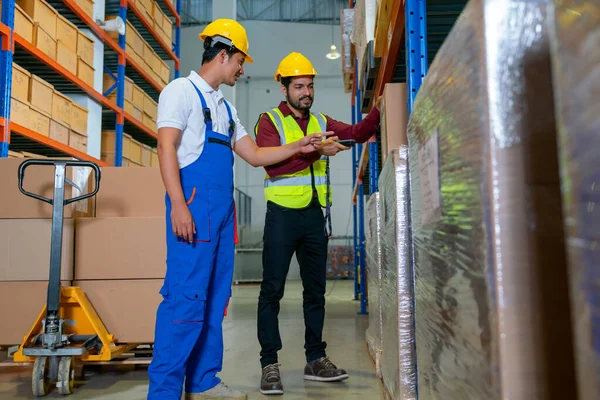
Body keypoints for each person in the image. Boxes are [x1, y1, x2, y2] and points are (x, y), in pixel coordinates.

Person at [147, 24, 328, 400]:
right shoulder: (181, 91)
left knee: (215, 299)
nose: (242, 70)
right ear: (224, 55)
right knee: (185, 298)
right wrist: (179, 204)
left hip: (222, 212)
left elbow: (256, 154)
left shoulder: (226, 108)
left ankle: (203, 382)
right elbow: (166, 147)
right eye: (241, 62)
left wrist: (300, 145)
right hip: (194, 208)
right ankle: (163, 392)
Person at [254, 52, 381, 395]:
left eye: (309, 85)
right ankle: (270, 365)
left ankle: (315, 359)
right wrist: (315, 151)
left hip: (313, 217)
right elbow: (273, 167)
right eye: (299, 86)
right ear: (284, 89)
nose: (306, 92)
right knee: (272, 292)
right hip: (282, 216)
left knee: (316, 292)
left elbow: (356, 132)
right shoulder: (269, 121)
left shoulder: (320, 120)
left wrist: (379, 108)